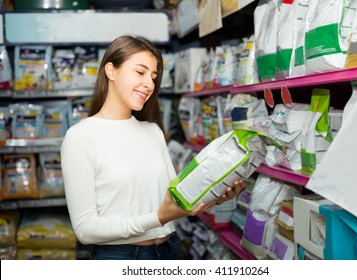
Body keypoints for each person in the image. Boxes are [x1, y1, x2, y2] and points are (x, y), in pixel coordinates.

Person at [60, 35, 245, 260]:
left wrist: (216, 195)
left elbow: (174, 199)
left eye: (153, 75)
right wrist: (157, 218)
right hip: (120, 257)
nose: (149, 83)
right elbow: (85, 230)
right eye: (140, 72)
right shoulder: (80, 137)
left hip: (170, 249)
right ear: (111, 71)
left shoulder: (152, 131)